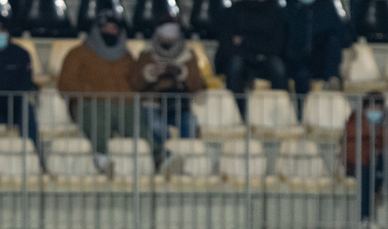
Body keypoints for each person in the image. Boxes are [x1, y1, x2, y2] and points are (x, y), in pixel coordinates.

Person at [57, 8, 145, 159]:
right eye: (106, 28)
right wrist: (88, 93)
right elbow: (65, 83)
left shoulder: (127, 57)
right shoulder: (77, 53)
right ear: (97, 30)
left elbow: (135, 82)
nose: (111, 32)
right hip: (90, 105)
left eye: (114, 28)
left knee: (139, 128)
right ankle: (102, 159)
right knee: (99, 122)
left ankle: (158, 157)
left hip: (123, 106)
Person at [129, 19, 204, 157]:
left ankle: (184, 160)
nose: (168, 40)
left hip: (179, 105)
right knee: (158, 128)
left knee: (190, 125)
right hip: (152, 104)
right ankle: (167, 158)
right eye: (165, 36)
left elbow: (197, 85)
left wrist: (180, 72)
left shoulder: (188, 56)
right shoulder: (146, 55)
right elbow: (135, 84)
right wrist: (151, 73)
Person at [344, 92, 388, 223]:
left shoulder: (387, 126)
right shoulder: (354, 123)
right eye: (371, 107)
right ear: (364, 109)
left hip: (383, 167)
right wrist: (368, 156)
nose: (374, 111)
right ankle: (365, 218)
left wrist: (385, 154)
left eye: (377, 108)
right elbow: (350, 151)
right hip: (361, 166)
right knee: (365, 177)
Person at [217, 0, 288, 97]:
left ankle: (278, 109)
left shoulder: (275, 12)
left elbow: (277, 46)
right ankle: (238, 110)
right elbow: (227, 43)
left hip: (267, 58)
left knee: (279, 68)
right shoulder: (235, 10)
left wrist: (244, 41)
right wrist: (259, 44)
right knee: (235, 66)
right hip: (242, 57)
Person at [284, 0, 348, 94]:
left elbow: (343, 35)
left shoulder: (327, 5)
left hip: (320, 61)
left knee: (333, 41)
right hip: (295, 61)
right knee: (301, 76)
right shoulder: (288, 6)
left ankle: (332, 80)